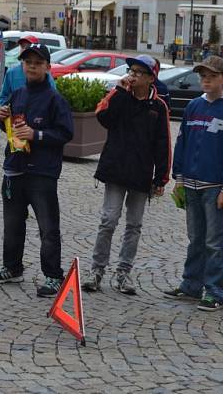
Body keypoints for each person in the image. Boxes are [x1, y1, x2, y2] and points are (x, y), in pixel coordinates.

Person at [0, 43, 74, 297]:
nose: (32, 66)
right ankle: (12, 267)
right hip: (14, 168)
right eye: (28, 62)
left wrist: (38, 134)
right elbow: (13, 132)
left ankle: (53, 276)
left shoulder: (55, 99)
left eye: (37, 62)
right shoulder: (19, 94)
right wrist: (3, 120)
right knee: (12, 224)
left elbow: (66, 133)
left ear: (47, 67)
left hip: (42, 172)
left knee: (48, 227)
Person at [81, 54, 171, 295]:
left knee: (134, 225)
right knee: (108, 220)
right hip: (116, 168)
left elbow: (163, 143)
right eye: (131, 70)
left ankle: (123, 272)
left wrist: (161, 177)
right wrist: (119, 92)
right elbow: (103, 117)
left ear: (151, 78)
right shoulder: (120, 95)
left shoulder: (158, 107)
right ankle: (97, 270)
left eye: (139, 72)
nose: (133, 75)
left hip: (141, 174)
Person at [163, 55, 223, 311]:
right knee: (195, 238)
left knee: (215, 241)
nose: (206, 81)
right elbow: (183, 142)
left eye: (212, 76)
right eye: (203, 77)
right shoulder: (194, 107)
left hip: (215, 188)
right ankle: (191, 285)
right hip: (191, 184)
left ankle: (214, 292)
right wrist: (178, 178)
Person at [0, 35, 56, 105]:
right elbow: (3, 96)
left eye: (38, 63)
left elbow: (52, 100)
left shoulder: (46, 76)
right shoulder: (11, 72)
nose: (24, 49)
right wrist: (6, 109)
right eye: (22, 47)